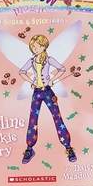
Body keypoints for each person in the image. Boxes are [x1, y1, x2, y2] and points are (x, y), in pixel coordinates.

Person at [19, 34, 77, 164]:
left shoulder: (49, 60)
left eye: (36, 46)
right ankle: (29, 148)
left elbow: (62, 69)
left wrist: (52, 79)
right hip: (36, 93)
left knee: (57, 118)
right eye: (33, 47)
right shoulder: (32, 61)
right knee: (33, 120)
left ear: (43, 46)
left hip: (47, 92)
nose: (34, 49)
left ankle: (68, 147)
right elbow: (22, 72)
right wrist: (31, 82)